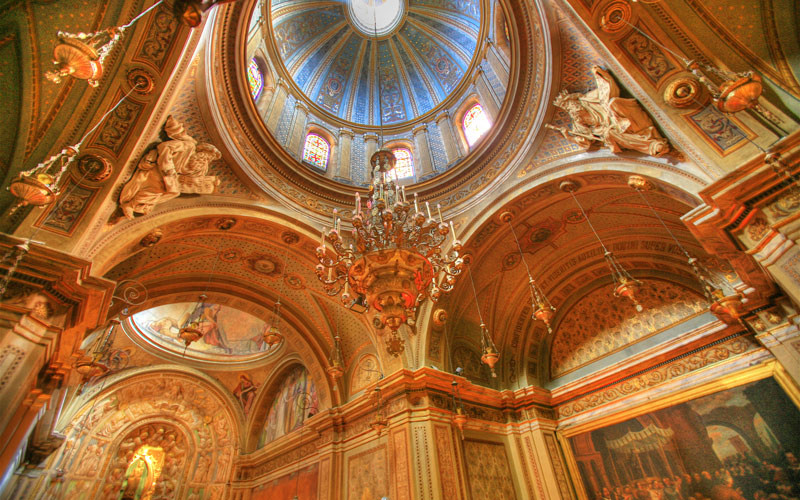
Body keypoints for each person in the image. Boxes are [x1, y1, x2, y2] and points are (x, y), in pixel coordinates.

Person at [119, 116, 220, 219]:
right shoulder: (188, 147)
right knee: (159, 187)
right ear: (201, 150)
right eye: (207, 154)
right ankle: (131, 205)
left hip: (169, 177)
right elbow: (164, 147)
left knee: (173, 192)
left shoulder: (201, 167)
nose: (207, 158)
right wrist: (169, 168)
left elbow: (194, 180)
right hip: (161, 166)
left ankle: (140, 204)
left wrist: (209, 183)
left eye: (210, 158)